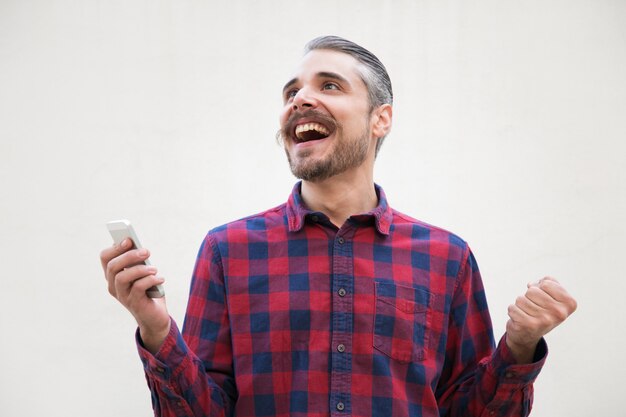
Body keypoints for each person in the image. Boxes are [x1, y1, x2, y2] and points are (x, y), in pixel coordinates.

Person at [100, 36, 577, 417]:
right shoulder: (228, 250)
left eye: (329, 86)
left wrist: (518, 347)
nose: (300, 98)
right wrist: (157, 330)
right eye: (292, 91)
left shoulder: (446, 258)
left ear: (380, 119)